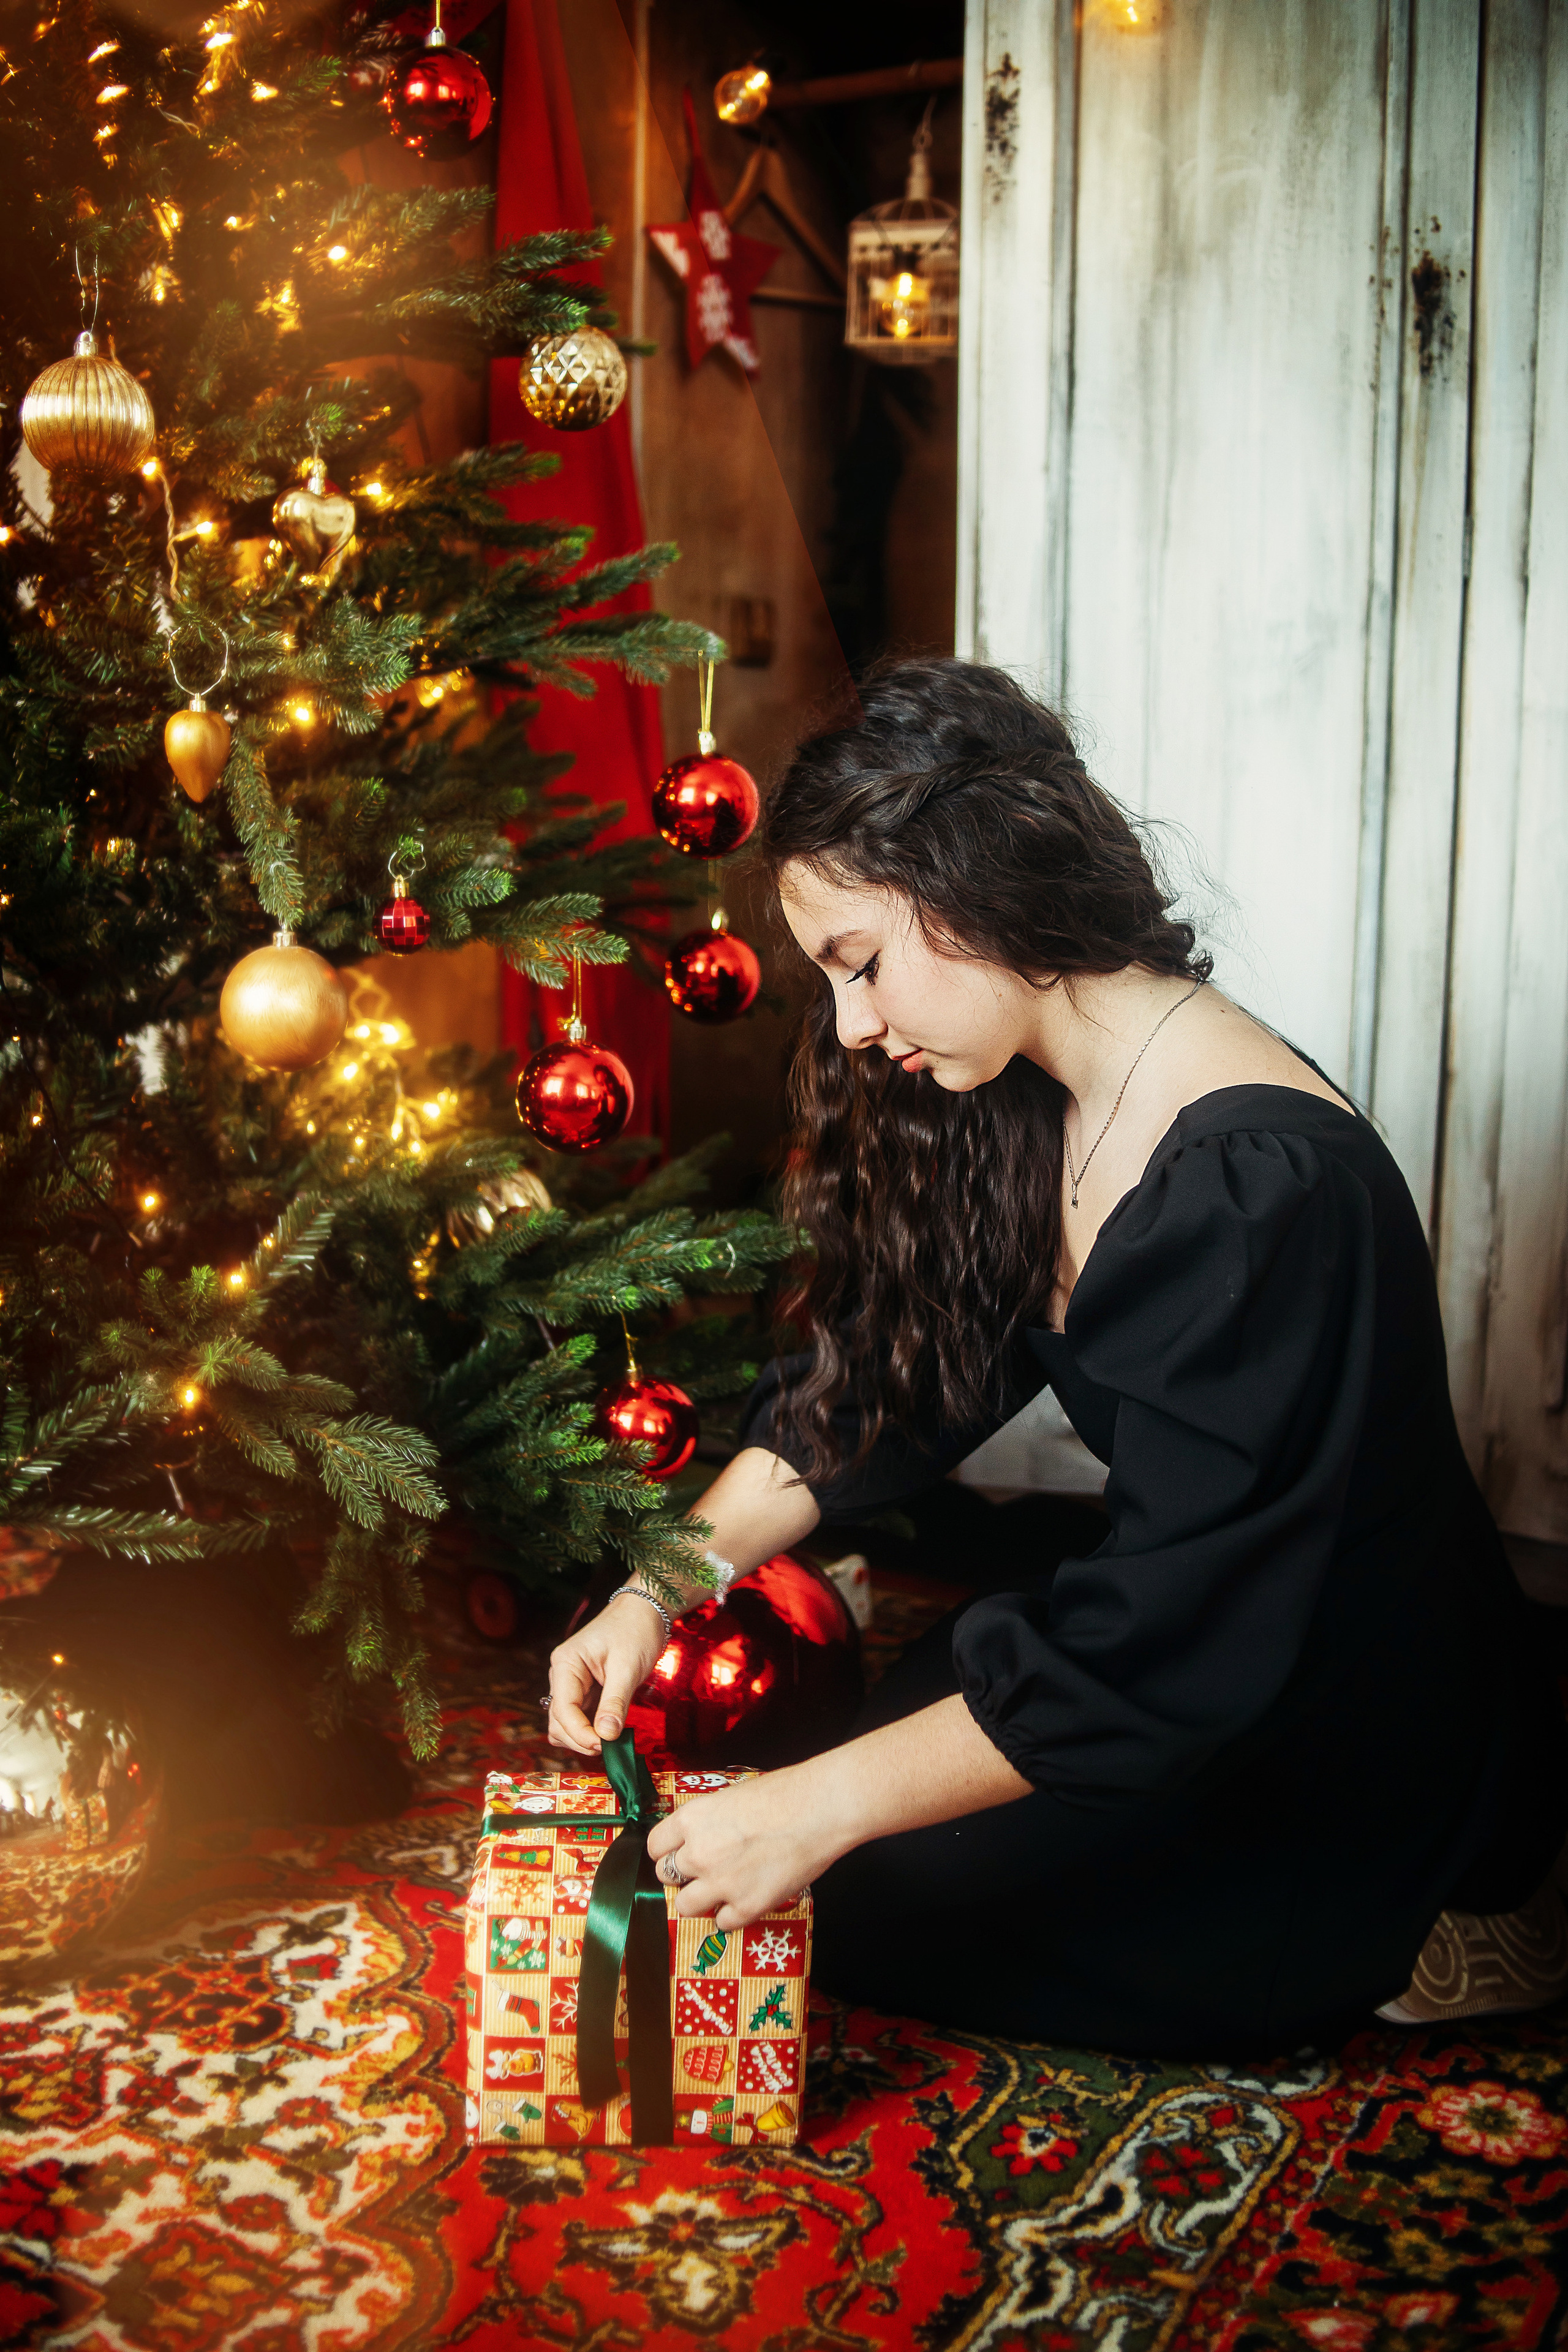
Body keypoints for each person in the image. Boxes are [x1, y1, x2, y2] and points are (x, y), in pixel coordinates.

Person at [546, 658, 1568, 2059]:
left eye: (860, 964)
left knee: (854, 1881)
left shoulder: (1256, 1185)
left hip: (1327, 1710)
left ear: (973, 880)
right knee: (826, 1808)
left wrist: (820, 1811)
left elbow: (1168, 1650)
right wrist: (658, 1587)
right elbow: (882, 1387)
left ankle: (1469, 1900)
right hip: (1189, 1632)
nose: (851, 1026)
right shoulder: (1013, 1086)